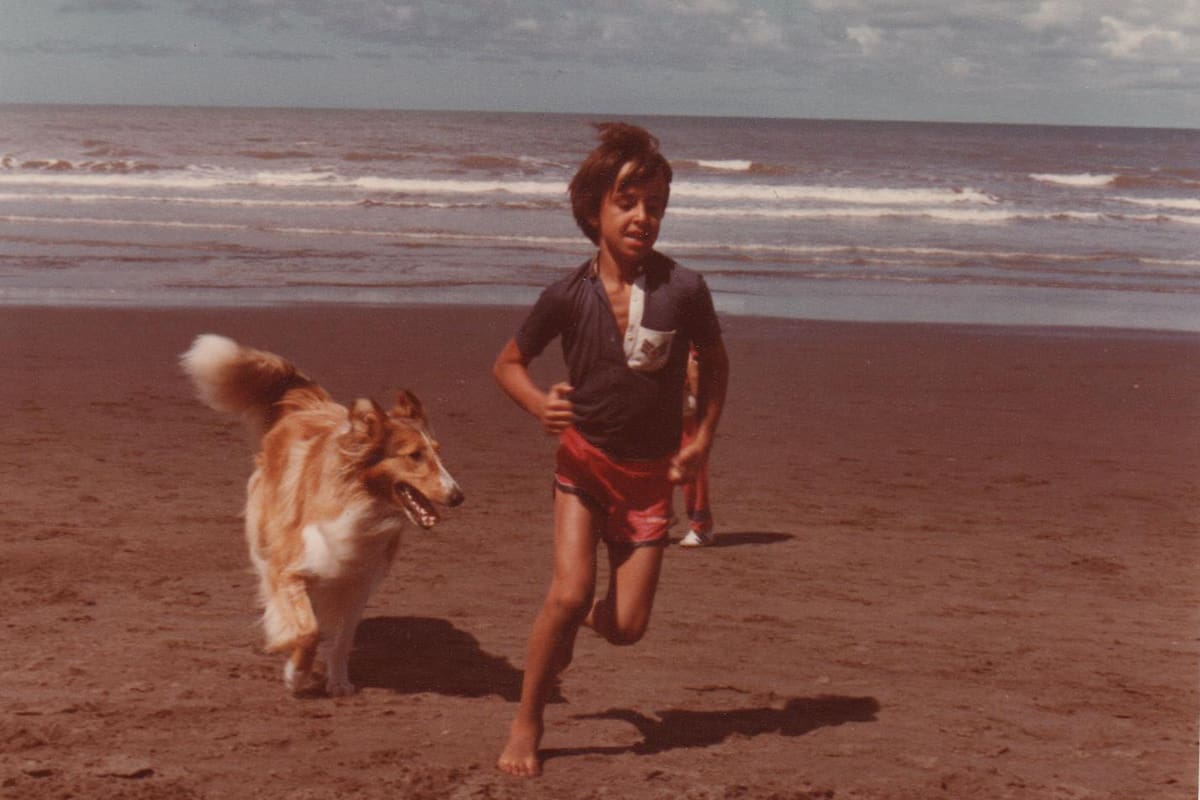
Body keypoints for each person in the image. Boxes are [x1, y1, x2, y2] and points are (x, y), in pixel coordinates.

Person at [493, 122, 729, 777]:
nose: (643, 216)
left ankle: (578, 626)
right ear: (593, 209)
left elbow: (716, 364)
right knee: (567, 593)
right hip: (584, 463)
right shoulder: (566, 297)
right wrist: (540, 403)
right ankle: (527, 722)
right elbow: (508, 363)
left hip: (650, 478)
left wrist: (703, 438)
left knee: (626, 627)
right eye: (627, 202)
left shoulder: (685, 289)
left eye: (655, 205)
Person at [678, 346, 716, 547]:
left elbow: (695, 364)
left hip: (685, 398)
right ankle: (661, 514)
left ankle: (702, 525)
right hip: (664, 395)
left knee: (690, 458)